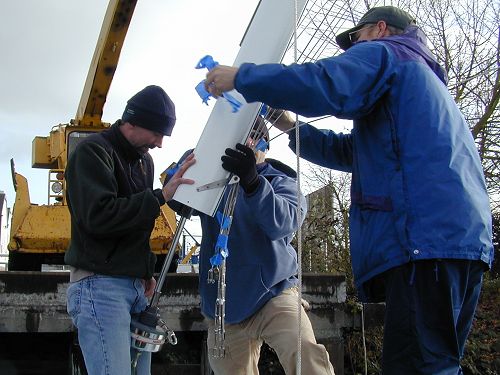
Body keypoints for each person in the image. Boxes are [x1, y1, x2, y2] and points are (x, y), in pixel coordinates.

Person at [204, 6, 494, 375]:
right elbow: (351, 152)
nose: (351, 51)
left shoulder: (389, 52)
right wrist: (286, 122)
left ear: (380, 29)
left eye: (355, 40)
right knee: (437, 364)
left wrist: (243, 78)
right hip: (461, 244)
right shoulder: (420, 85)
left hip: (424, 242)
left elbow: (328, 81)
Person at [169, 118, 335, 374]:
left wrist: (253, 183)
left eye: (250, 137)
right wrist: (189, 171)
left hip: (274, 292)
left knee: (304, 355)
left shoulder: (284, 183)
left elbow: (283, 222)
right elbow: (177, 196)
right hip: (223, 303)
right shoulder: (213, 182)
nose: (242, 142)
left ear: (263, 145)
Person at [64, 85, 195, 375]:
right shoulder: (92, 152)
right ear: (132, 121)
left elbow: (137, 223)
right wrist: (160, 196)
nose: (159, 143)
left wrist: (144, 268)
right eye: (157, 133)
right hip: (99, 285)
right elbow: (98, 217)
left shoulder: (144, 161)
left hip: (132, 285)